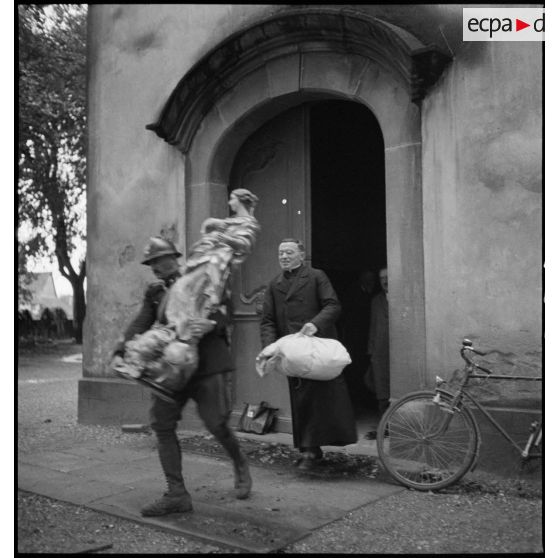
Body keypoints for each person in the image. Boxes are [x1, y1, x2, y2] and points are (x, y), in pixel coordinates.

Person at [110, 189, 259, 517]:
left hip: (207, 364)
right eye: (150, 265)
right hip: (172, 367)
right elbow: (141, 321)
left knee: (216, 424)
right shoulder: (154, 293)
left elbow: (227, 313)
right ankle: (176, 493)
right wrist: (123, 346)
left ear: (174, 258)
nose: (154, 269)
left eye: (157, 262)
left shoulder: (204, 275)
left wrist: (210, 324)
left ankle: (239, 464)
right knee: (162, 424)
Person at [260, 239, 357, 470]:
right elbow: (268, 320)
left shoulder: (316, 276)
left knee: (323, 398)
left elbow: (333, 305)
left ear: (301, 256)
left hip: (316, 347)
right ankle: (308, 450)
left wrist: (315, 325)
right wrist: (269, 348)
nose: (283, 256)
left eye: (289, 252)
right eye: (280, 252)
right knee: (301, 399)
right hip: (292, 352)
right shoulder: (275, 284)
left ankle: (316, 448)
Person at [338, 271, 375, 409]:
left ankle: (365, 402)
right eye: (368, 279)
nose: (371, 282)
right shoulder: (352, 294)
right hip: (354, 340)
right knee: (355, 371)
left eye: (372, 279)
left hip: (367, 339)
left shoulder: (372, 294)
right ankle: (358, 403)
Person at [364, 266, 390, 440]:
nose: (385, 281)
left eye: (388, 277)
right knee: (380, 391)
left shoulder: (402, 297)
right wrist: (371, 351)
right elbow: (373, 327)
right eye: (382, 278)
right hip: (380, 352)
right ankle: (385, 427)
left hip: (397, 352)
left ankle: (398, 427)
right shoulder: (377, 300)